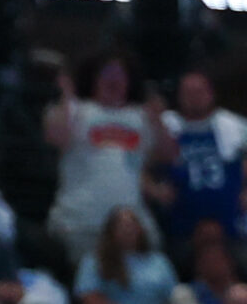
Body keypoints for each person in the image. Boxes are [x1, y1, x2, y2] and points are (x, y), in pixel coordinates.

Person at [49, 54, 165, 257]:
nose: (114, 79)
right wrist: (66, 96)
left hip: (132, 226)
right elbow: (55, 138)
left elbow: (167, 155)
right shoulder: (76, 110)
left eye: (120, 74)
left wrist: (158, 120)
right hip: (80, 224)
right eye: (107, 73)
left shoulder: (141, 116)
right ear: (94, 79)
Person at [148, 70, 246, 247]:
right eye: (188, 93)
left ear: (211, 94)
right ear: (179, 96)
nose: (194, 97)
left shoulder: (235, 126)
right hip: (180, 229)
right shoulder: (165, 126)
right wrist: (155, 190)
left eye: (199, 91)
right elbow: (142, 164)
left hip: (231, 227)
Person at [77, 208, 175, 304]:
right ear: (111, 231)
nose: (128, 231)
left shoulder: (158, 261)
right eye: (123, 227)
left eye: (132, 226)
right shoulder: (94, 261)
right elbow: (89, 296)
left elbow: (173, 294)